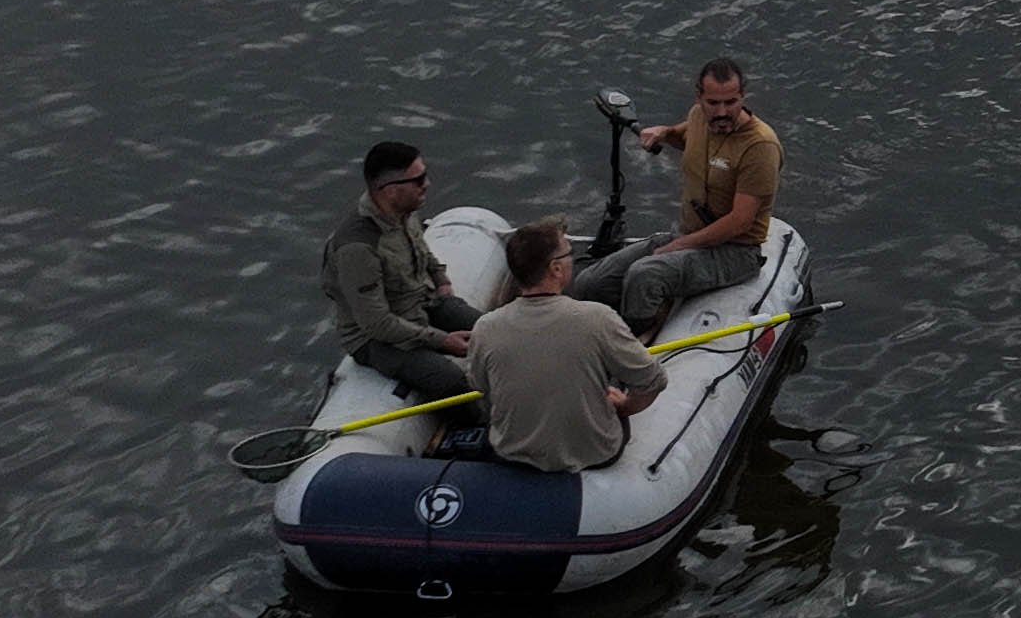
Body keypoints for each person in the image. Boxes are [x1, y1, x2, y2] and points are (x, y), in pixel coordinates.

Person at [571, 57, 777, 337]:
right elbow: (683, 136)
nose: (721, 112)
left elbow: (739, 222)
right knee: (591, 283)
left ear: (742, 97)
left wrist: (679, 245)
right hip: (689, 234)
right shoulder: (698, 118)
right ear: (699, 98)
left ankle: (635, 347)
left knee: (645, 276)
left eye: (730, 102)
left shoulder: (759, 146)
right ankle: (589, 335)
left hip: (735, 251)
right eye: (713, 103)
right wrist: (664, 132)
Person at [463, 219, 666, 473]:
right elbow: (653, 380)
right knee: (612, 381)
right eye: (569, 252)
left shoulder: (485, 327)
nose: (573, 257)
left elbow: (479, 385)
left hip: (512, 455)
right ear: (556, 269)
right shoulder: (598, 318)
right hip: (594, 453)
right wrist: (624, 407)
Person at [321, 140, 479, 401]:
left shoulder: (404, 213)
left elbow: (423, 251)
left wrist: (441, 279)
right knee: (452, 382)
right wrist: (442, 341)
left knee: (494, 331)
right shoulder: (358, 248)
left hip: (422, 302)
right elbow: (378, 324)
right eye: (418, 180)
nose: (426, 184)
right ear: (391, 190)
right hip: (377, 339)